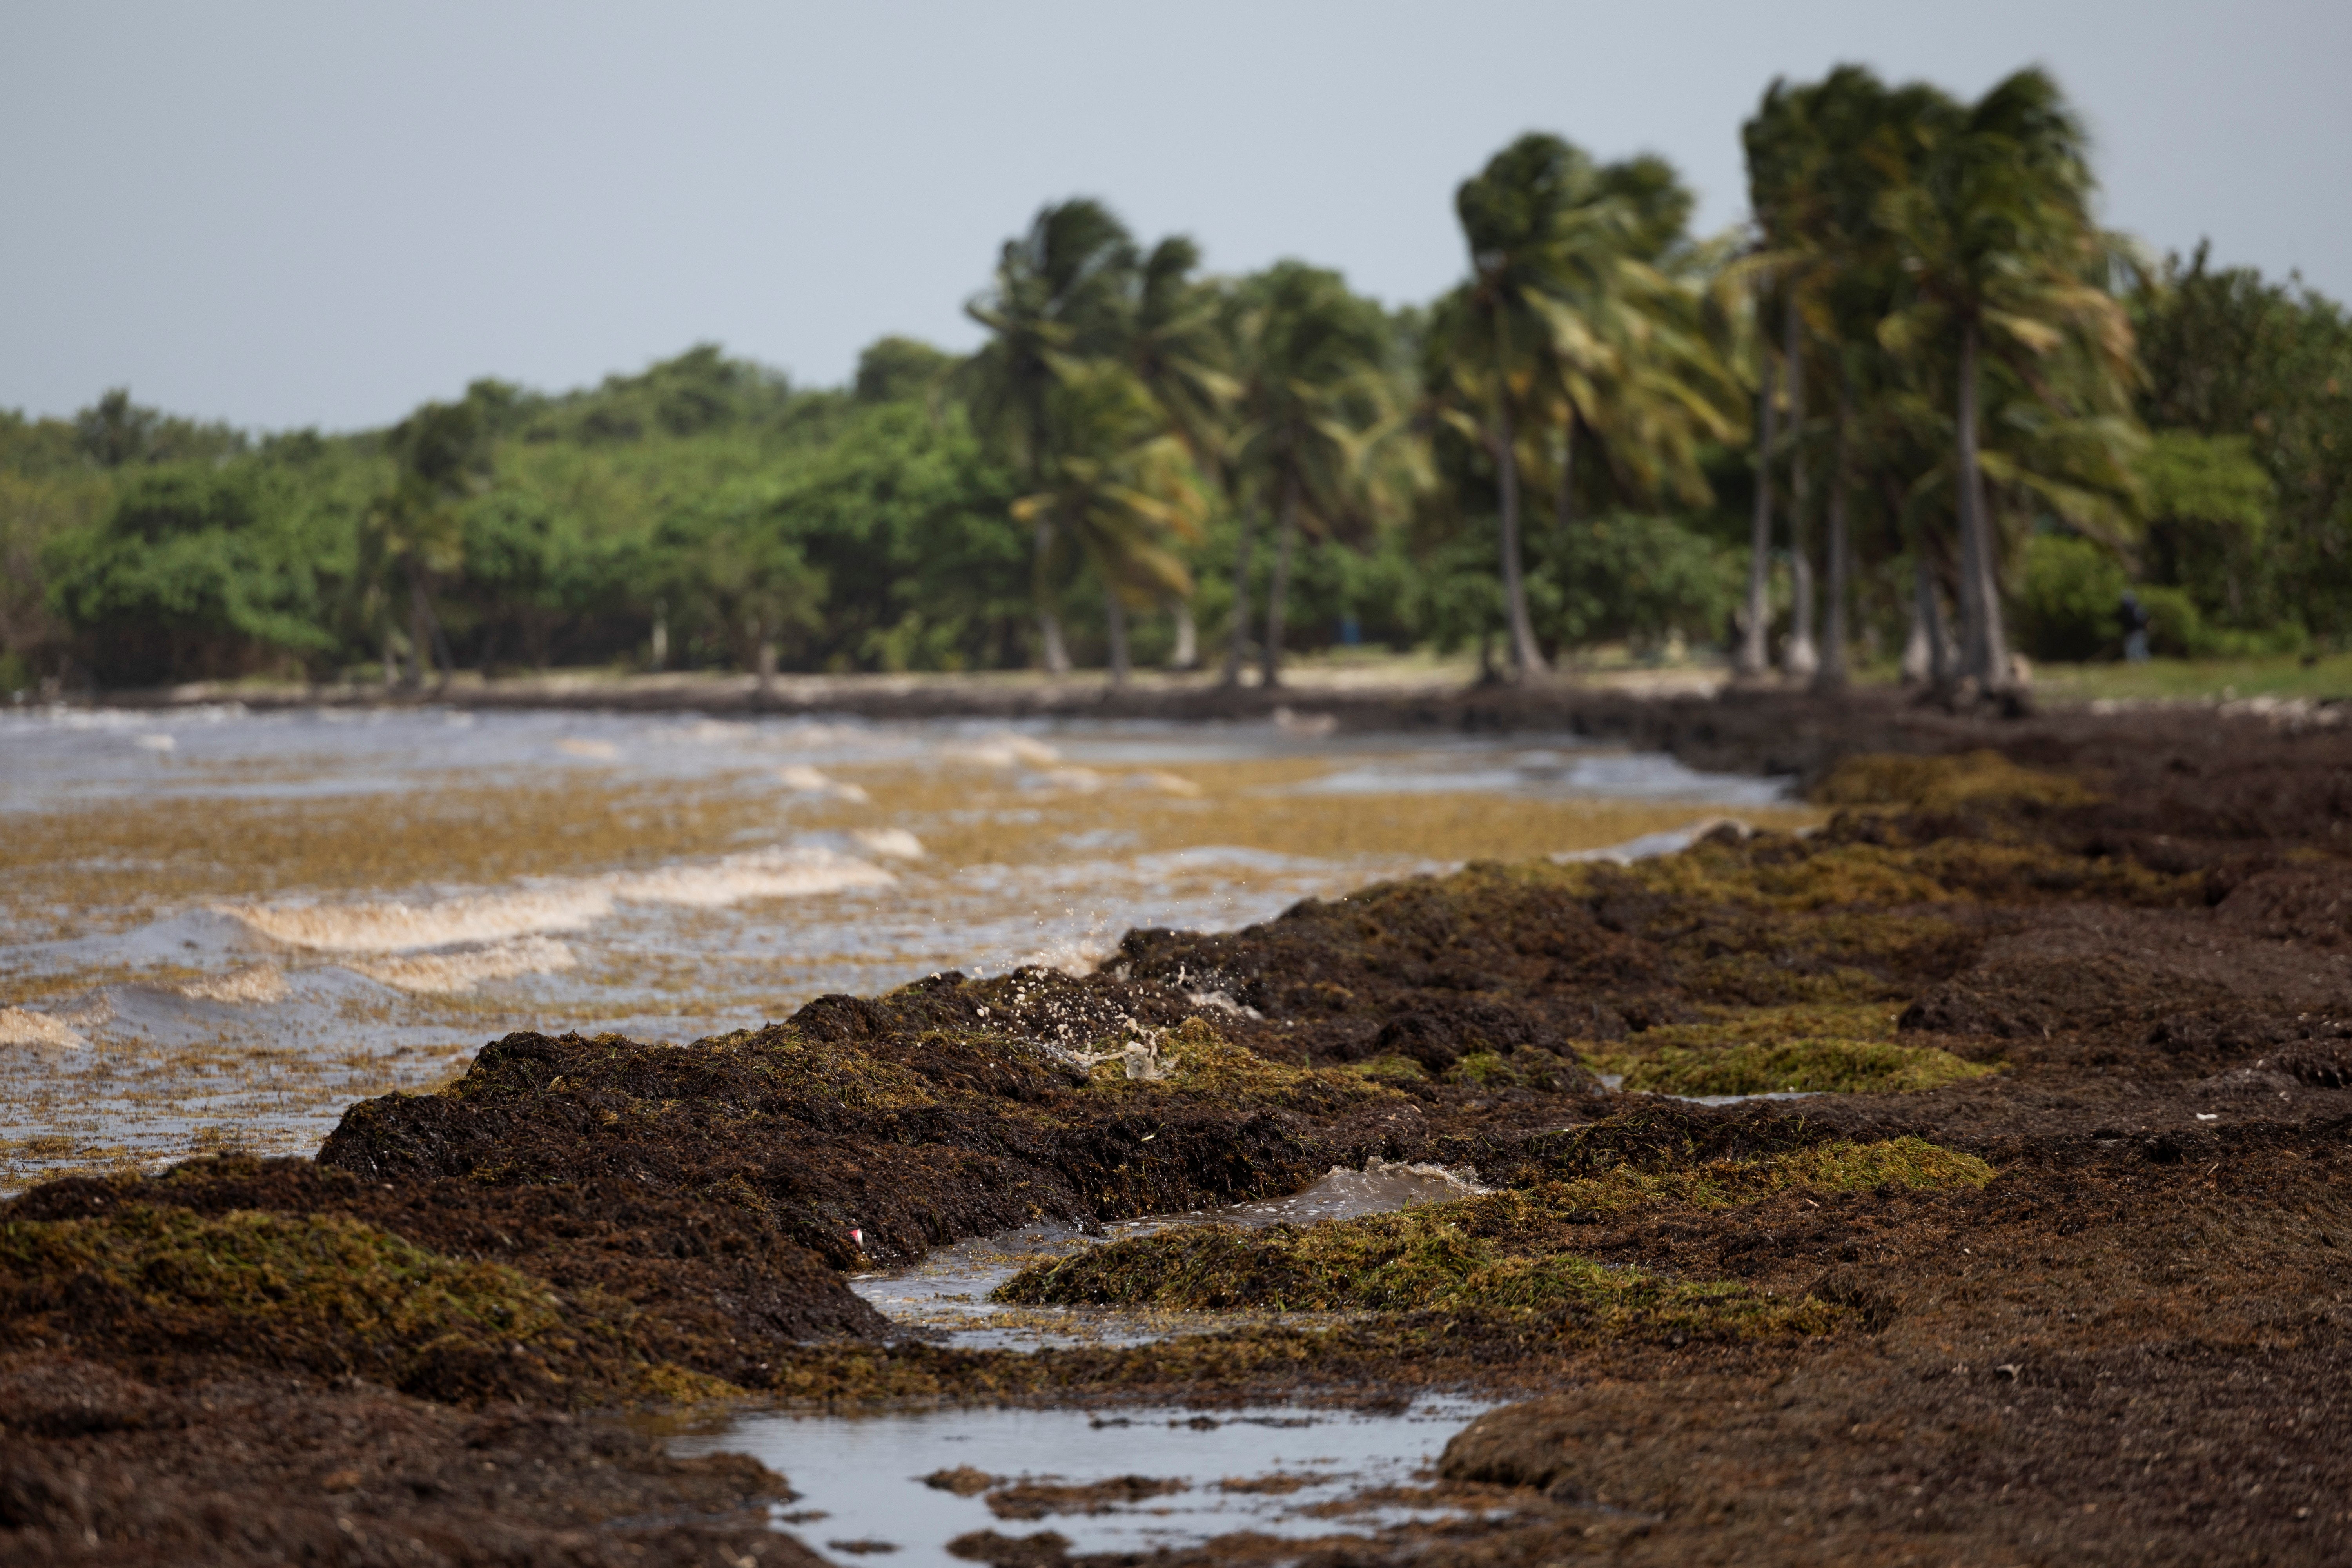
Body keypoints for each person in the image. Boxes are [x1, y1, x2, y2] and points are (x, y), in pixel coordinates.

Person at [2120, 591, 2151, 664]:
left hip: (2138, 632)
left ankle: (2143, 665)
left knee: (2136, 649)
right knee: (2135, 649)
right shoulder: (2136, 609)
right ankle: (2138, 666)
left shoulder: (2135, 609)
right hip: (2134, 632)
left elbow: (2145, 620)